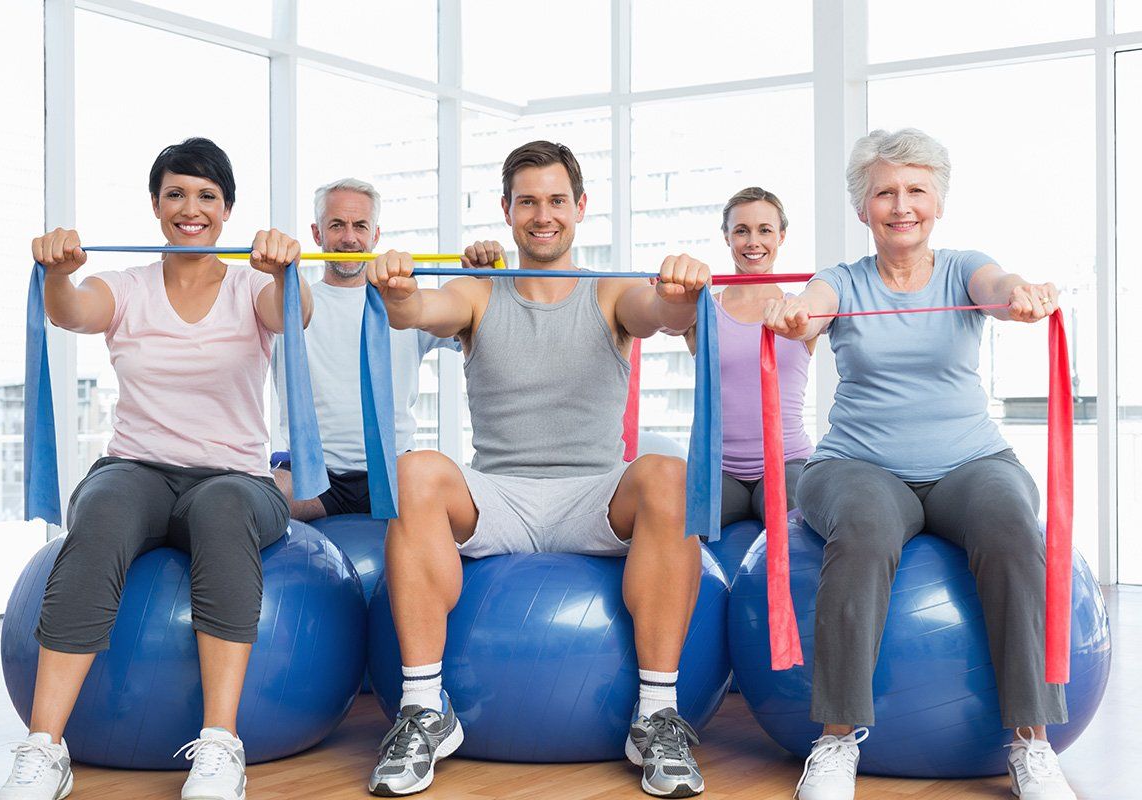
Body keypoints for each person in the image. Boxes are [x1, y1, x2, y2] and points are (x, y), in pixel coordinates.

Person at [364, 141, 710, 798]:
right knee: (414, 471)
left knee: (667, 472)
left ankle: (656, 716)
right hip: (500, 495)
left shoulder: (609, 291)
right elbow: (416, 313)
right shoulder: (477, 292)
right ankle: (423, 710)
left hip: (594, 496)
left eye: (556, 201)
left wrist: (680, 293)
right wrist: (399, 289)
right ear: (507, 209)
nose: (542, 215)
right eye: (528, 201)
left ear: (580, 209)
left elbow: (662, 314)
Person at [763, 128, 1072, 800]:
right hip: (857, 465)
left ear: (938, 202)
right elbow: (814, 309)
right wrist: (795, 315)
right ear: (863, 208)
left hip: (972, 461)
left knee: (1014, 528)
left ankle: (1031, 745)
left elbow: (998, 286)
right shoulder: (841, 280)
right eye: (884, 193)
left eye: (916, 191)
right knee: (867, 531)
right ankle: (836, 741)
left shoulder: (965, 268)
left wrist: (1021, 294)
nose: (901, 205)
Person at [0, 137, 308, 800]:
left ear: (227, 210)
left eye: (206, 196)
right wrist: (58, 272)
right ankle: (44, 748)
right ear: (155, 204)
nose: (189, 208)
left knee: (222, 508)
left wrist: (286, 271)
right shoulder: (127, 287)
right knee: (102, 510)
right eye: (176, 194)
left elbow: (295, 316)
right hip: (136, 469)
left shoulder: (254, 287)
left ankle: (222, 747)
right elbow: (72, 310)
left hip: (235, 481)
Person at [270, 178, 459, 520]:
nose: (348, 238)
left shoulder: (405, 304)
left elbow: (471, 331)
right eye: (336, 225)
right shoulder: (288, 304)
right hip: (312, 477)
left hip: (392, 471)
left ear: (375, 235)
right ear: (317, 234)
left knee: (445, 503)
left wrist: (482, 278)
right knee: (255, 500)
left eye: (360, 226)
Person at [684, 187, 815, 527]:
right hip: (719, 468)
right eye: (742, 230)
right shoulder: (703, 310)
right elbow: (660, 313)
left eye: (765, 230)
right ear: (727, 236)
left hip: (788, 463)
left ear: (781, 236)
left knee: (801, 520)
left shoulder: (801, 311)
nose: (753, 241)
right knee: (680, 527)